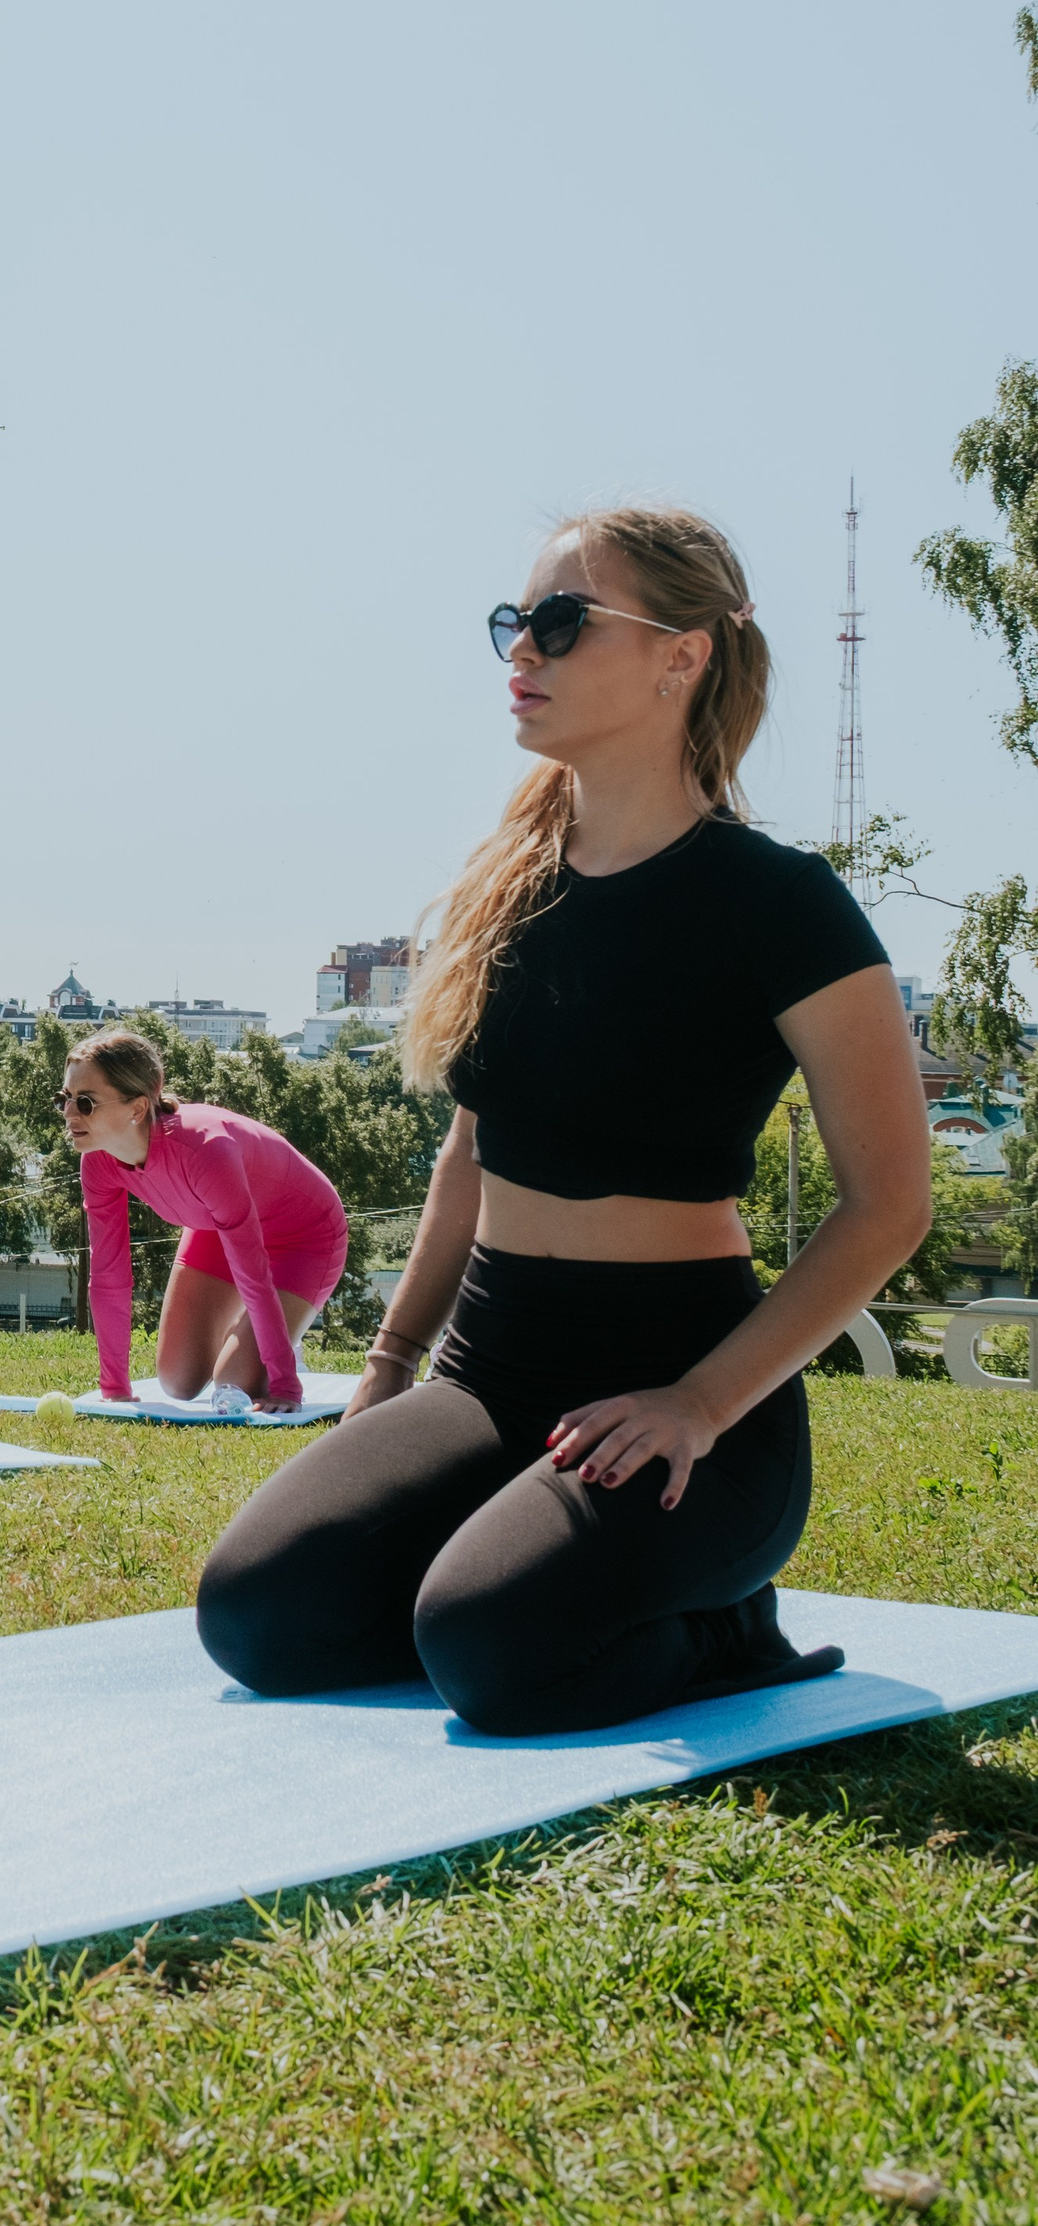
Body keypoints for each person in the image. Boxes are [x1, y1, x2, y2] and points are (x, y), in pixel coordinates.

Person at [195, 507, 931, 1738]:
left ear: (679, 654)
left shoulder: (781, 904)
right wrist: (387, 1369)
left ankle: (723, 1627)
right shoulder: (509, 888)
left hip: (690, 1395)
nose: (519, 651)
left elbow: (887, 1205)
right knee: (259, 1615)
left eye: (558, 621)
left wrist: (696, 1403)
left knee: (491, 1650)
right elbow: (467, 1160)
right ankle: (507, 1579)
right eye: (512, 622)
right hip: (490, 1368)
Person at [61, 1031, 346, 1409]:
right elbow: (110, 1274)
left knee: (233, 1385)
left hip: (305, 1235)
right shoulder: (97, 1161)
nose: (68, 1114)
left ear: (137, 1108)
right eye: (64, 1099)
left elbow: (252, 1275)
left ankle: (285, 1352)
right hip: (217, 1227)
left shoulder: (205, 1152)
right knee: (177, 1381)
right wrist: (115, 1388)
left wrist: (284, 1385)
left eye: (85, 1102)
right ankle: (257, 1338)